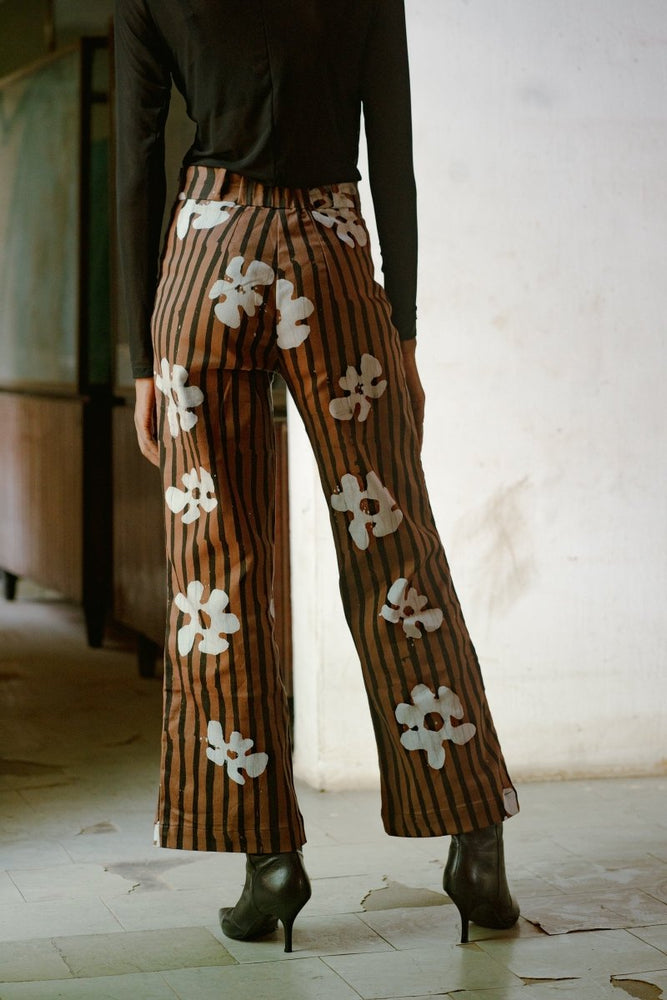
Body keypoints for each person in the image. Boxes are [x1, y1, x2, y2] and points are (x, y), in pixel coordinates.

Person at [114, 0, 520, 953]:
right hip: (334, 256)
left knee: (219, 570)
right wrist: (404, 326)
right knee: (393, 549)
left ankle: (268, 861)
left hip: (207, 257)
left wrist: (140, 358)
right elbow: (395, 157)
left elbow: (136, 165)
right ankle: (476, 846)